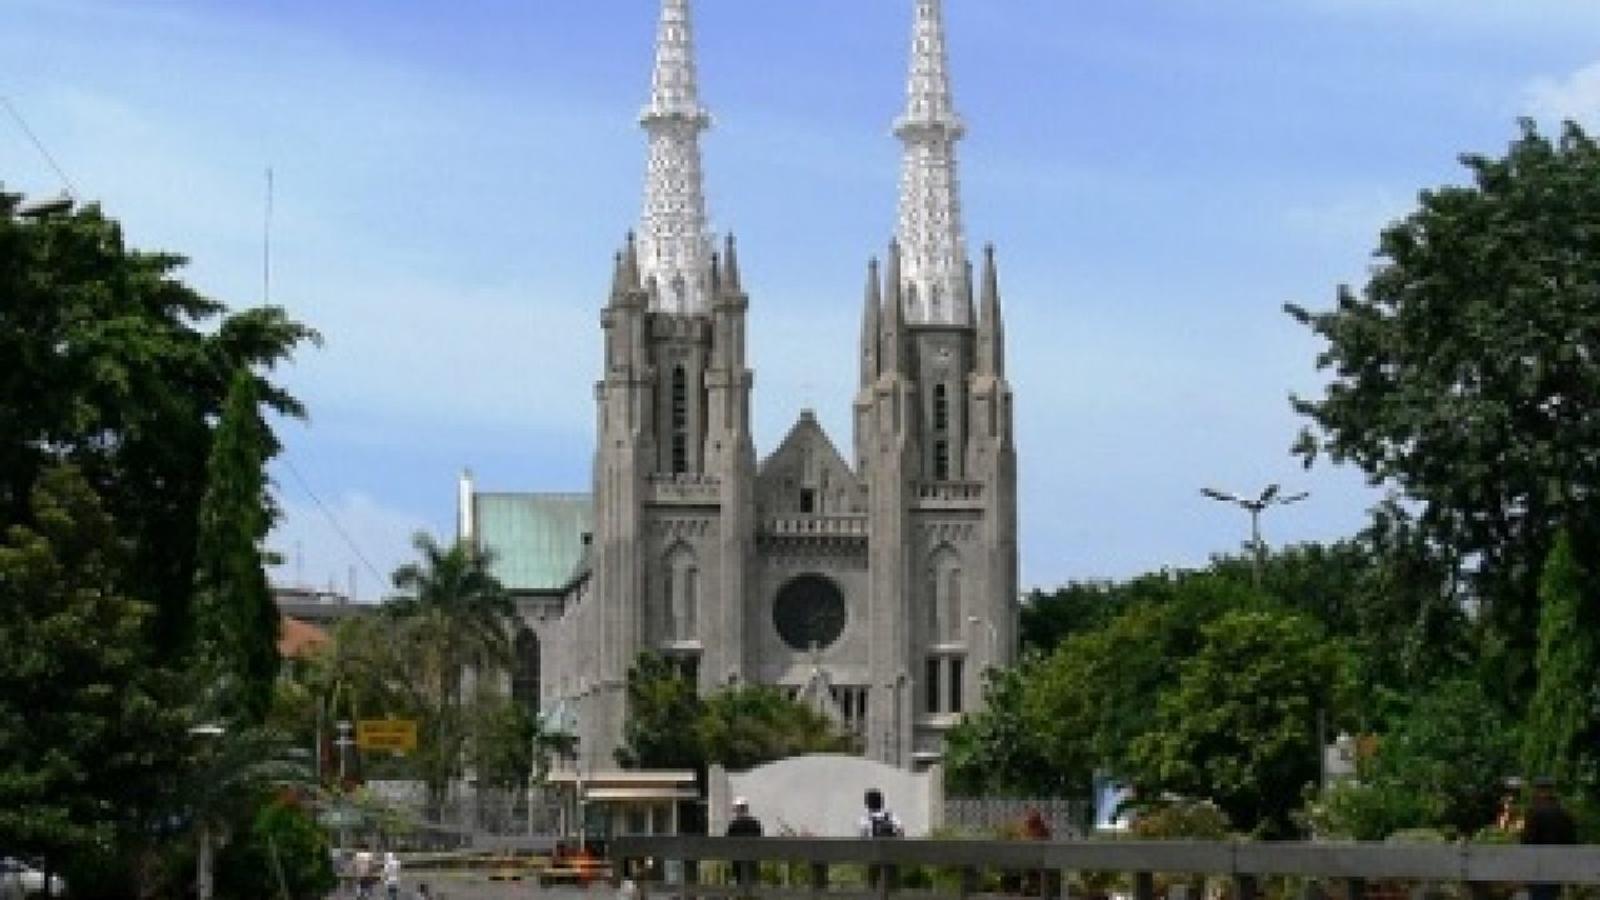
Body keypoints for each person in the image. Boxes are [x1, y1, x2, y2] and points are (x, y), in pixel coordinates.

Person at [1522, 776, 1577, 900]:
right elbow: (1571, 843)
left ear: (1538, 791)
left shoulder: (1534, 813)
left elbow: (1528, 842)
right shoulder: (1564, 813)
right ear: (1552, 791)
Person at [859, 788, 903, 890]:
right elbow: (900, 830)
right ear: (881, 802)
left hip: (874, 855)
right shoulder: (890, 815)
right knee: (892, 886)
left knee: (873, 883)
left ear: (867, 803)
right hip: (890, 855)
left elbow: (863, 836)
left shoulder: (865, 818)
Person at [726, 797, 762, 893]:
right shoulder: (755, 824)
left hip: (738, 860)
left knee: (739, 883)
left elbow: (728, 843)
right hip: (752, 860)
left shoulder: (733, 825)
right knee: (752, 883)